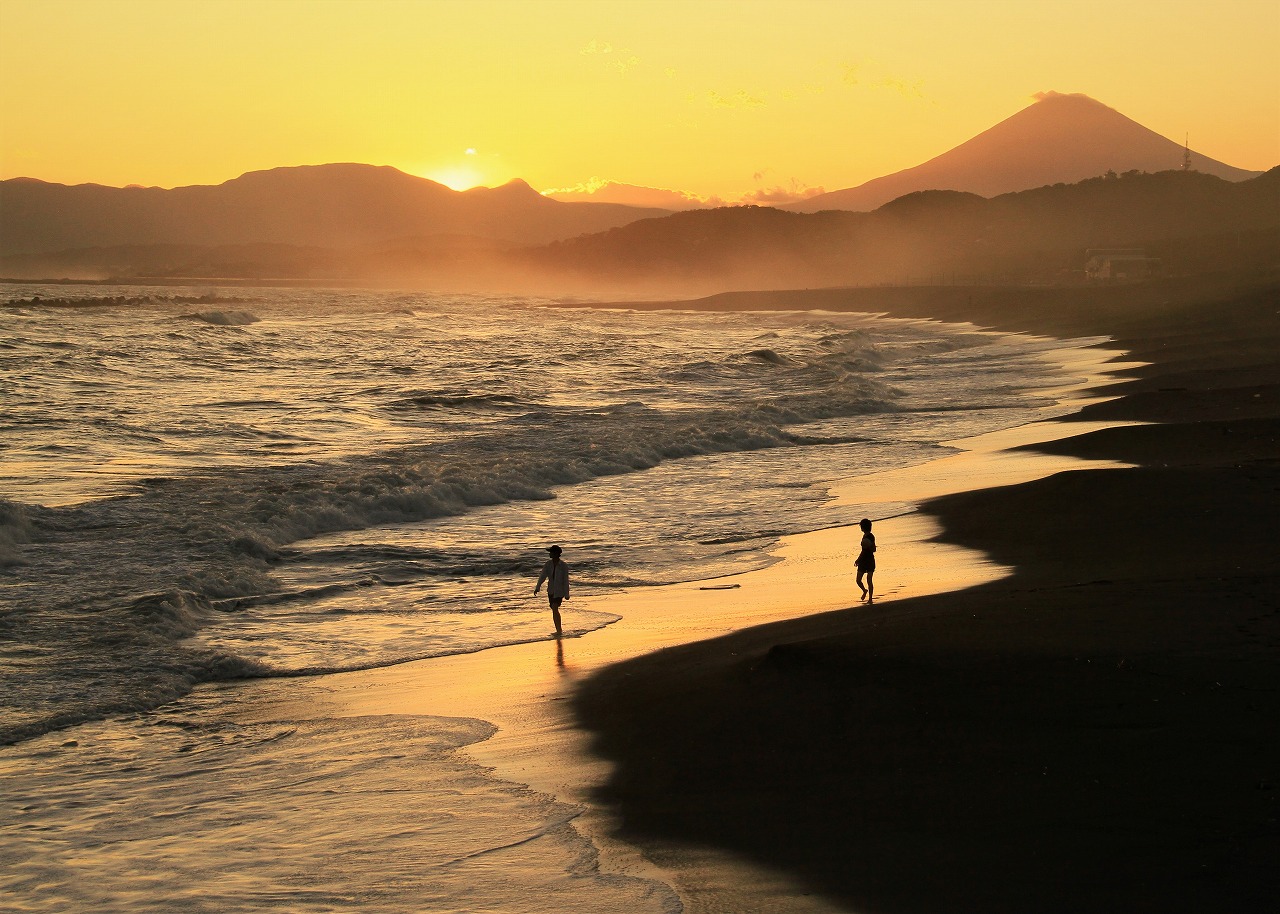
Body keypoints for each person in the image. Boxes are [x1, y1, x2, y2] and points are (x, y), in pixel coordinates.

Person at [534, 544, 570, 635]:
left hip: (559, 591)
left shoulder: (563, 566)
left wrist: (566, 594)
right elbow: (542, 576)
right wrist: (537, 587)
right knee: (554, 609)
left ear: (556, 554)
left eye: (551, 552)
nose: (549, 554)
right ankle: (558, 629)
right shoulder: (548, 564)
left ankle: (559, 630)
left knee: (554, 607)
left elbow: (566, 580)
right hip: (551, 590)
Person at [855, 518, 876, 601]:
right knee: (858, 580)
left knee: (869, 580)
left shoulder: (870, 536)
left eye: (861, 526)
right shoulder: (865, 536)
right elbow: (864, 550)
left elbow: (873, 549)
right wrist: (858, 560)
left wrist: (858, 560)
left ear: (863, 527)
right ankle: (864, 590)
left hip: (869, 560)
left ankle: (870, 598)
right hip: (864, 560)